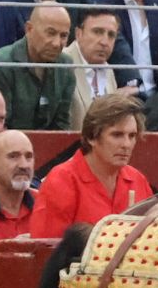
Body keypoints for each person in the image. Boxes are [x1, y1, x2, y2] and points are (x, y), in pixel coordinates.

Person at [29, 90, 151, 236]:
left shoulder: (137, 180)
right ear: (91, 137)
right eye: (117, 135)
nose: (126, 144)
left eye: (132, 136)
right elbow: (45, 249)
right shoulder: (62, 180)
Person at [0, 1, 75, 130]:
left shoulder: (66, 66)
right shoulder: (0, 65)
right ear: (29, 29)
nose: (57, 43)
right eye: (50, 33)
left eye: (63, 36)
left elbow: (62, 124)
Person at [63, 7, 119, 125]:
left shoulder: (108, 70)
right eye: (97, 32)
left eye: (111, 35)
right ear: (78, 34)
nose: (104, 42)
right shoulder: (62, 63)